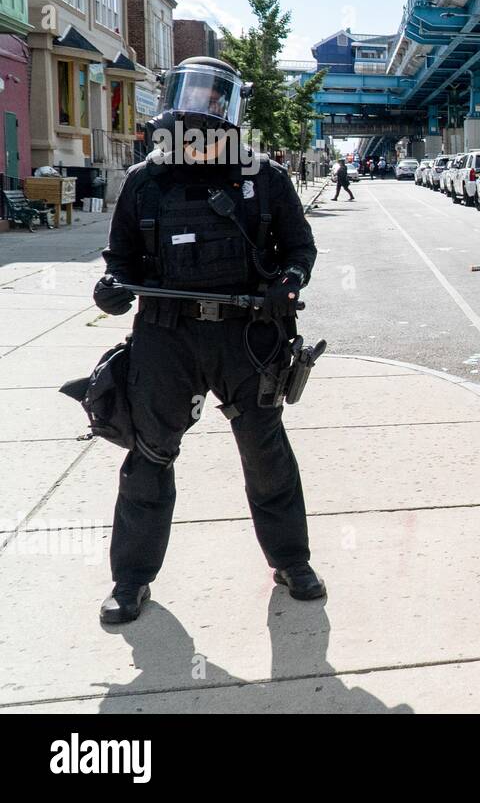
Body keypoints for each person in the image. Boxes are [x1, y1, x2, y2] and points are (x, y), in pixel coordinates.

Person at [91, 55, 324, 624]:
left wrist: (287, 285)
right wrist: (111, 289)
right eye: (191, 92)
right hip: (166, 339)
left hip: (247, 338)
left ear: (232, 107)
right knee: (149, 456)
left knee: (265, 452)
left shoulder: (263, 178)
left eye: (214, 97)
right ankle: (131, 580)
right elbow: (120, 261)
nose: (201, 106)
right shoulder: (147, 181)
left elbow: (300, 249)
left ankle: (291, 562)